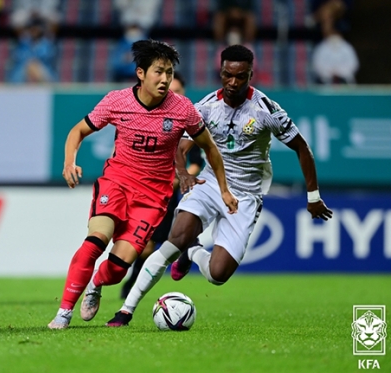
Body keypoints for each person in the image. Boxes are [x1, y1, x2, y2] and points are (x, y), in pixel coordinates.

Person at [106, 44, 333, 327]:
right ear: (221, 72)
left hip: (247, 195)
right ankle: (125, 311)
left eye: (240, 77)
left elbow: (303, 149)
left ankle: (193, 252)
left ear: (251, 75)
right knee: (175, 238)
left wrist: (313, 196)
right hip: (211, 182)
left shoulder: (267, 110)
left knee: (217, 274)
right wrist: (184, 173)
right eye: (227, 75)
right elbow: (178, 145)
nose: (232, 83)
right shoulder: (205, 107)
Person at [47, 39, 239, 329]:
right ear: (140, 73)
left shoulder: (182, 109)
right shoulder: (116, 101)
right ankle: (63, 313)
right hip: (117, 183)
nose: (165, 79)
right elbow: (79, 130)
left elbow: (210, 148)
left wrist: (224, 188)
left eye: (169, 73)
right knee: (94, 243)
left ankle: (97, 283)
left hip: (152, 198)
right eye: (159, 72)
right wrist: (68, 162)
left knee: (116, 269)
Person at [119, 72, 204, 299]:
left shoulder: (188, 125)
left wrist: (182, 177)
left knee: (160, 243)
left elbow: (197, 162)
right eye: (172, 91)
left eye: (179, 92)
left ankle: (133, 287)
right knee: (144, 244)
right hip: (145, 190)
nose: (175, 96)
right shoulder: (152, 120)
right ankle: (129, 283)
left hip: (169, 195)